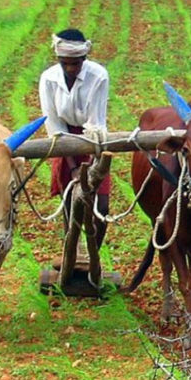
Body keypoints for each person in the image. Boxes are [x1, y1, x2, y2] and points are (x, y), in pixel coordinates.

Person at [39, 28, 111, 249]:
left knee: (101, 205)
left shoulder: (98, 75)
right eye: (65, 63)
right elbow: (54, 124)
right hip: (64, 141)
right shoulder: (49, 79)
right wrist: (72, 167)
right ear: (59, 60)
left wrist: (92, 169)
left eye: (76, 63)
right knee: (71, 201)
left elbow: (95, 123)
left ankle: (93, 255)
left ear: (84, 58)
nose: (70, 68)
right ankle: (71, 251)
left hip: (93, 140)